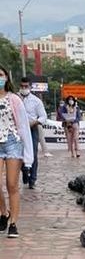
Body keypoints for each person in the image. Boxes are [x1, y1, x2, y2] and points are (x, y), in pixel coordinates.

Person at [0, 66, 34, 239]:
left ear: (6, 78)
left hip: (13, 142)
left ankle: (13, 223)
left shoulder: (14, 99)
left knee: (11, 184)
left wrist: (28, 157)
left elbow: (22, 126)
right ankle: (3, 212)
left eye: (0, 75)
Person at [19, 78, 49, 190]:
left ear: (30, 87)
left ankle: (33, 179)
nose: (23, 88)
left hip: (32, 128)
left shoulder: (36, 101)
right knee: (20, 153)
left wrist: (34, 122)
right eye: (22, 86)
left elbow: (43, 117)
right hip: (18, 129)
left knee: (33, 153)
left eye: (26, 86)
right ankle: (25, 172)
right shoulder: (15, 98)